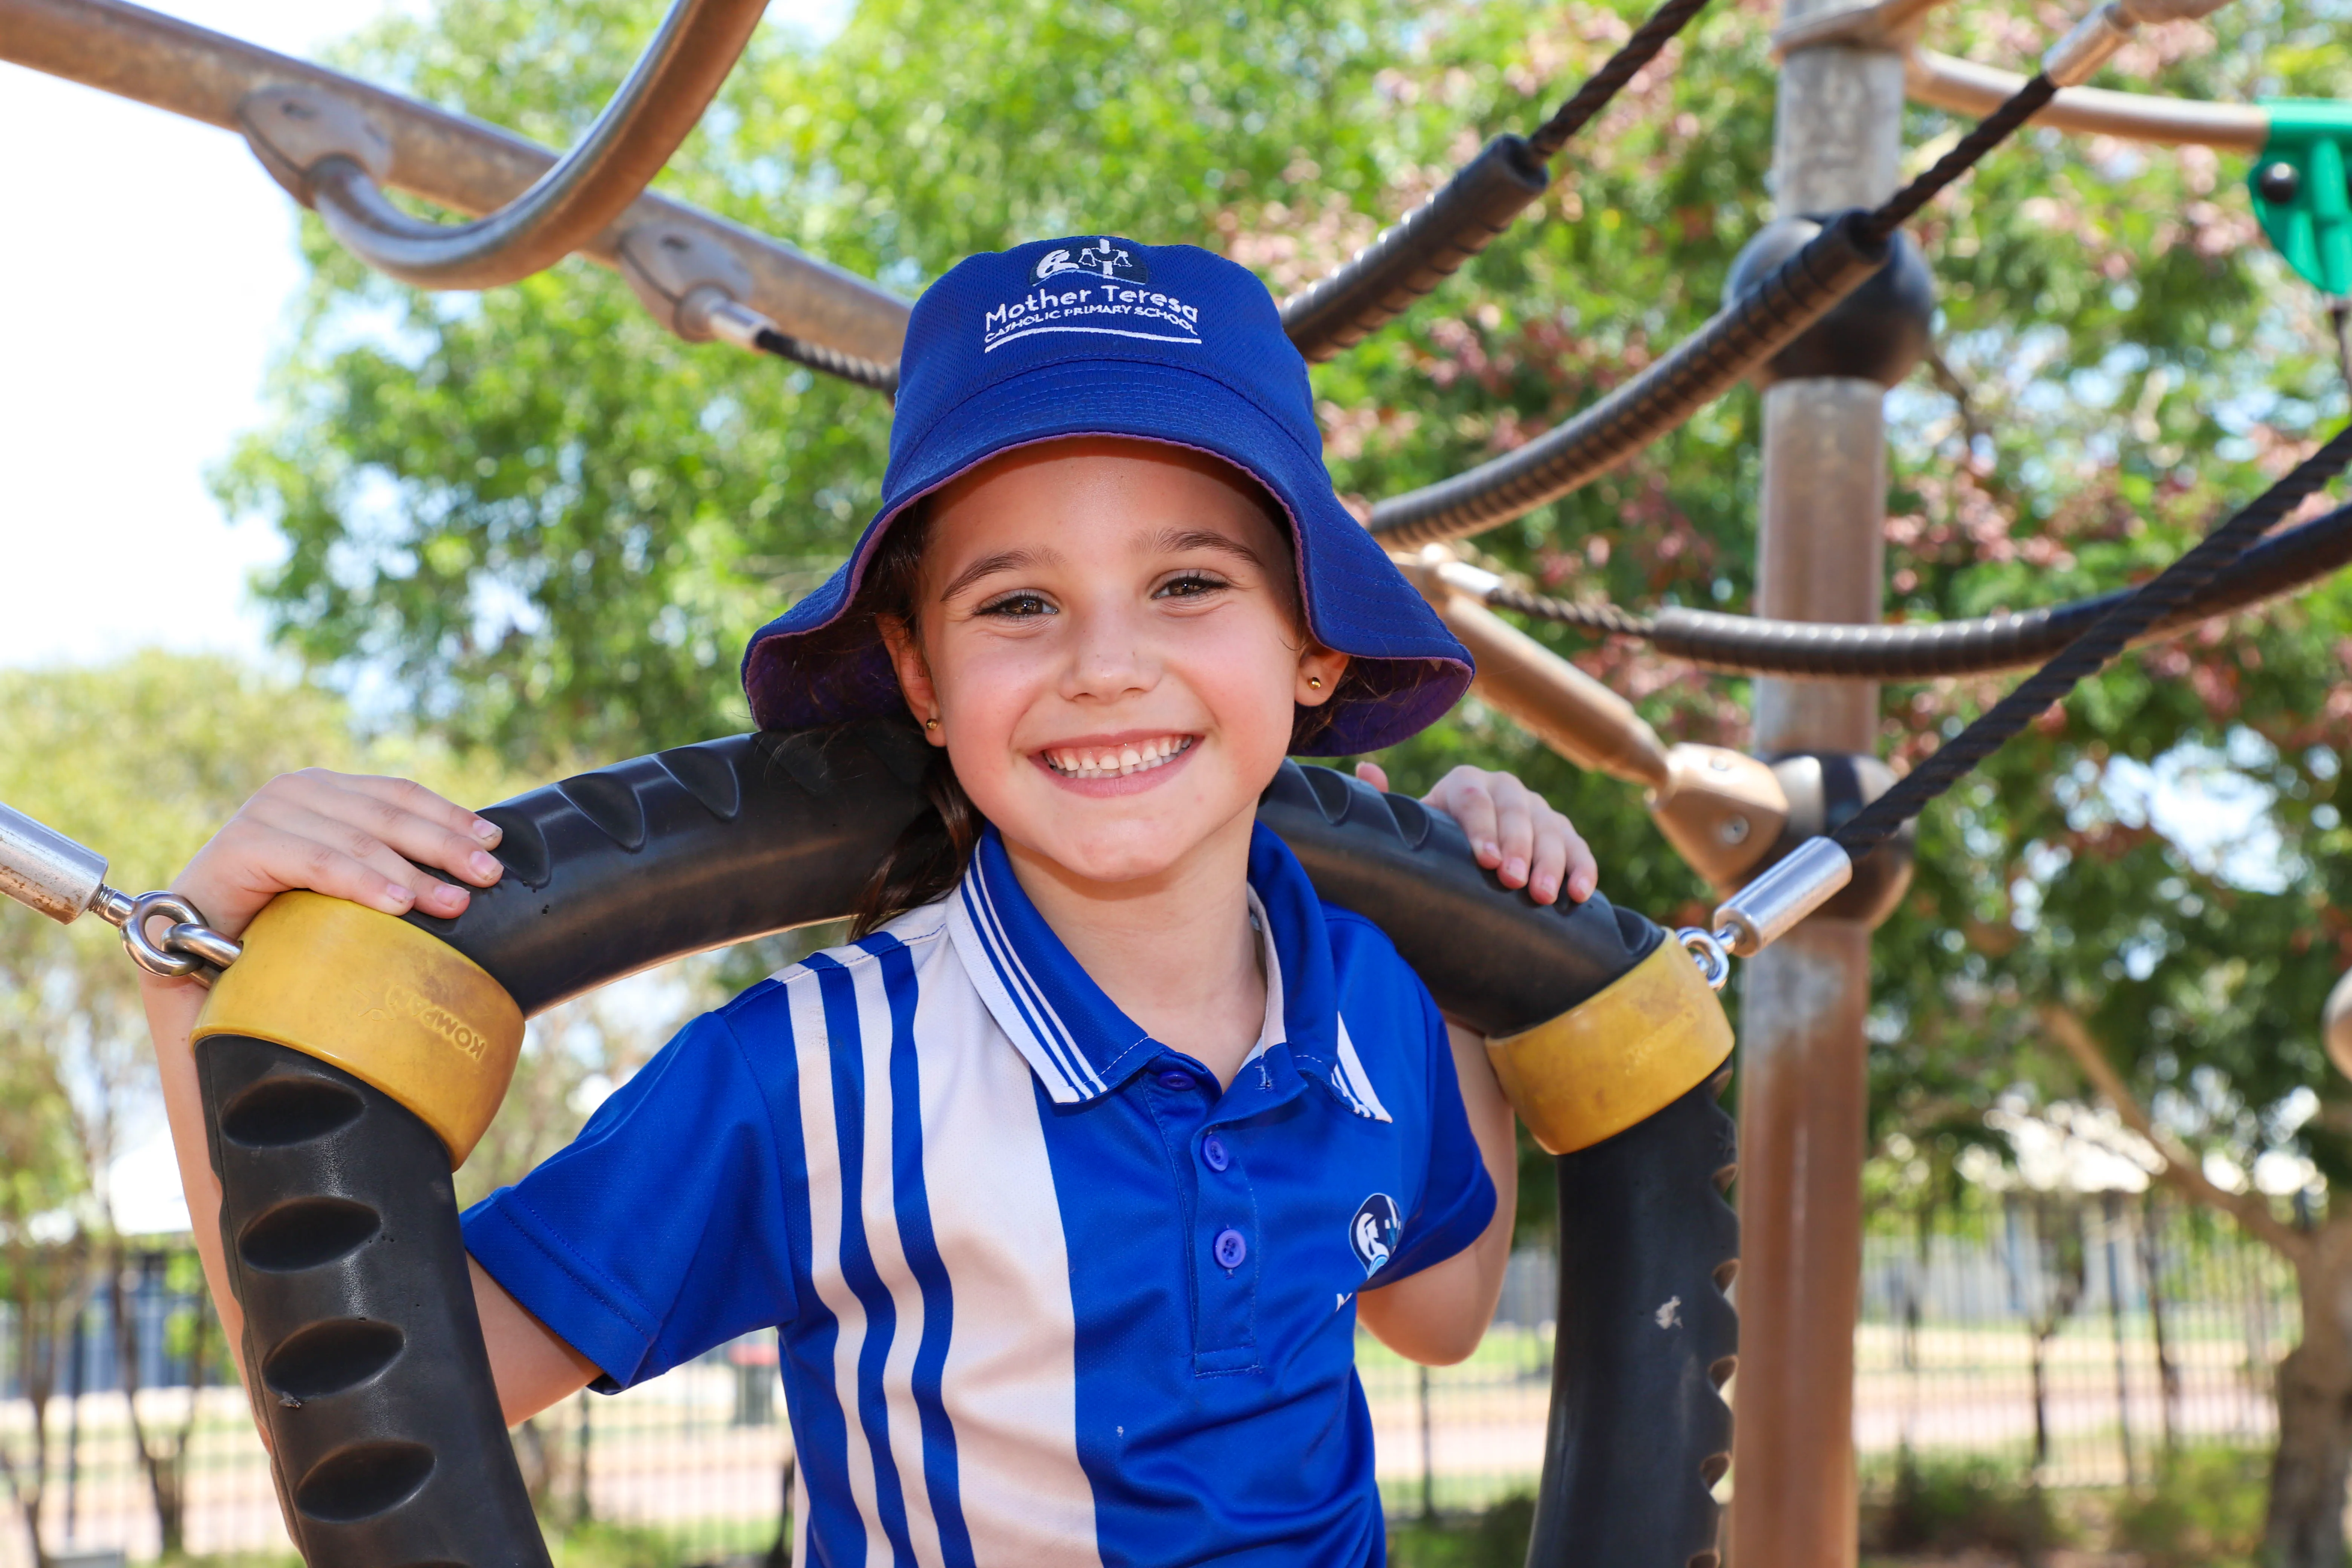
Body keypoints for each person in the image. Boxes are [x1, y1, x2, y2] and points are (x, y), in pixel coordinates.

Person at [140, 236, 1599, 1565]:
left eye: (1189, 584)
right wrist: (206, 984)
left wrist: (1478, 929)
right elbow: (358, 1389)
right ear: (921, 674)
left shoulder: (1375, 996)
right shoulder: (815, 1074)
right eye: (1018, 603)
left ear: (1316, 644)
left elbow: (1441, 1312)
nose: (1105, 665)